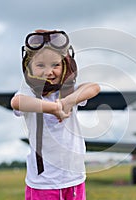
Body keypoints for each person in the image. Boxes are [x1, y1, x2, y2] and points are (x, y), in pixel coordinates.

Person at [11, 29, 100, 200]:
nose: (48, 71)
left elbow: (94, 87)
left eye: (55, 65)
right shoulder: (30, 92)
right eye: (40, 65)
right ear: (28, 67)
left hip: (74, 179)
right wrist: (53, 108)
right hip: (43, 182)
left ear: (66, 64)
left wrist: (68, 101)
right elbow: (16, 102)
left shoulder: (68, 91)